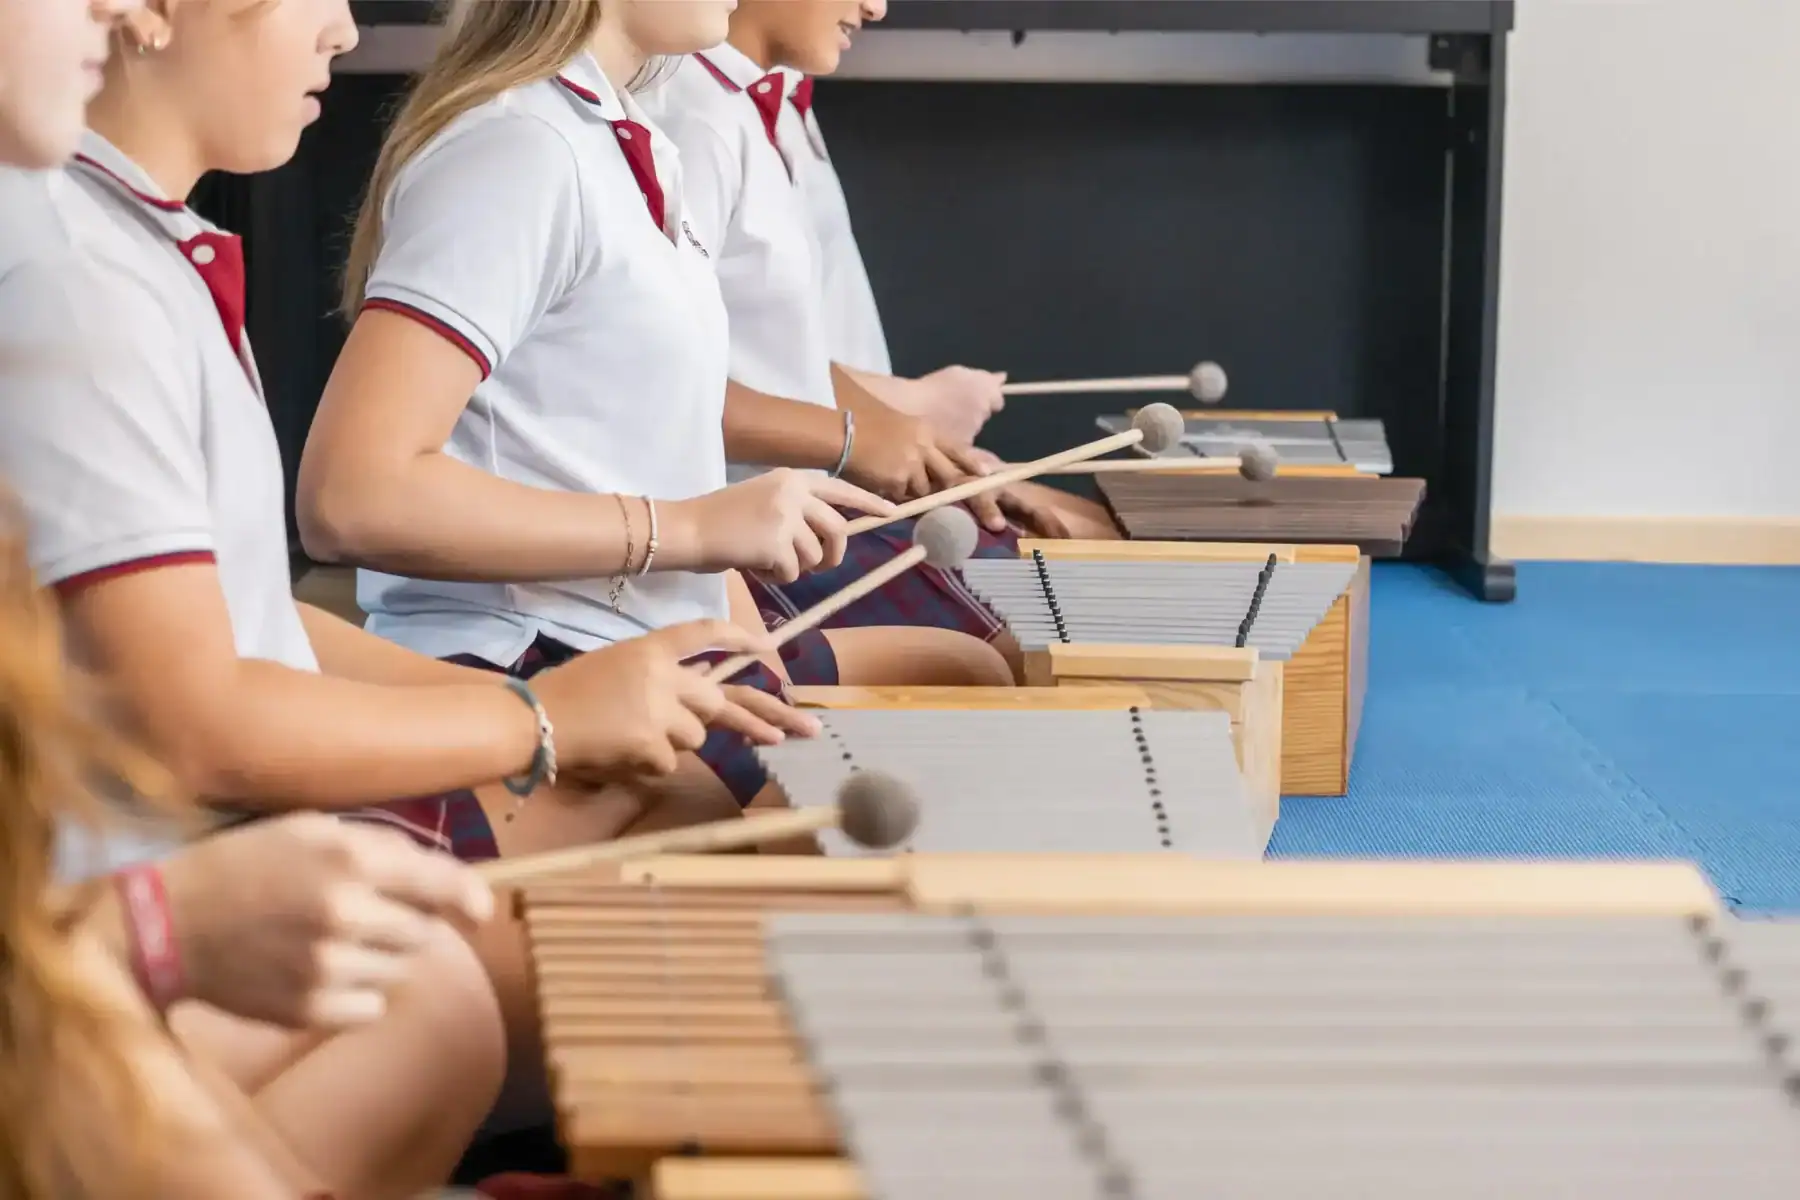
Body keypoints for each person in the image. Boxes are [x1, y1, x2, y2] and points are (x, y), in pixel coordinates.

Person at [0, 0, 823, 1154]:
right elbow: (206, 705)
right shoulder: (64, 274)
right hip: (121, 917)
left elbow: (233, 616)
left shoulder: (128, 252)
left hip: (175, 875)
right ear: (149, 16)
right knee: (643, 985)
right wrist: (531, 713)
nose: (345, 27)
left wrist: (554, 714)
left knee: (757, 863)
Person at [299, 0, 1017, 744]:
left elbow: (648, 450)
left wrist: (736, 618)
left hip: (642, 638)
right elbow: (352, 496)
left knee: (974, 674)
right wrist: (690, 529)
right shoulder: (518, 149)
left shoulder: (624, 136)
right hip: (533, 656)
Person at [635, 2, 1083, 677]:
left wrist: (911, 445)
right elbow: (658, 388)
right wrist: (859, 436)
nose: (876, 6)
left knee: (1079, 577)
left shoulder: (744, 107)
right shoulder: (686, 117)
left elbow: (779, 361)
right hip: (753, 535)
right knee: (1046, 648)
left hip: (804, 509)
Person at [780, 68, 1123, 539]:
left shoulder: (777, 98)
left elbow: (772, 349)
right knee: (1106, 551)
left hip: (859, 469)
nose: (875, 8)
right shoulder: (701, 126)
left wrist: (915, 442)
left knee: (1111, 532)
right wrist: (904, 413)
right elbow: (726, 373)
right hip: (808, 503)